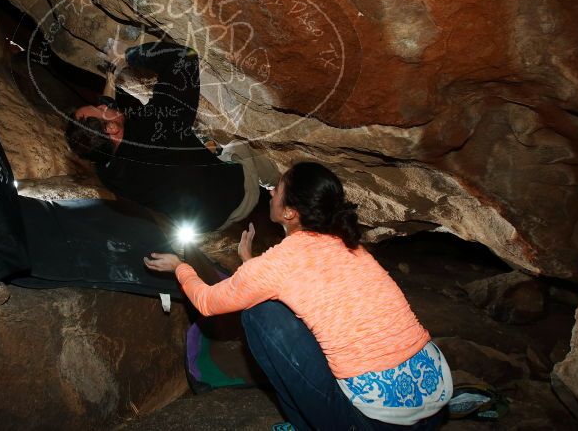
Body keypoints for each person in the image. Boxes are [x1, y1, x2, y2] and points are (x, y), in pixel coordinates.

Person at [144, 161, 451, 430]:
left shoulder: (279, 263)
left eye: (276, 190)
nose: (270, 193)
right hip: (435, 398)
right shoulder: (350, 244)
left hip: (374, 421)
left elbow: (208, 303)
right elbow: (302, 283)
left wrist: (181, 267)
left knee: (259, 313)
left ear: (289, 212)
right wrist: (251, 263)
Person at [66, 38, 278, 233]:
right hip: (236, 197)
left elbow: (107, 110)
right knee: (237, 146)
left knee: (194, 148)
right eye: (97, 107)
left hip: (206, 223)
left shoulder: (106, 171)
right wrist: (129, 55)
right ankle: (278, 185)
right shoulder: (156, 125)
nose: (101, 104)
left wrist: (112, 72)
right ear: (111, 130)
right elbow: (184, 57)